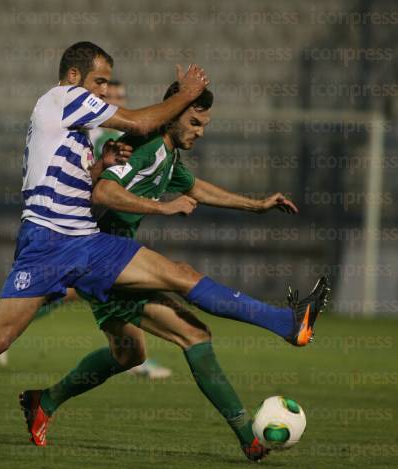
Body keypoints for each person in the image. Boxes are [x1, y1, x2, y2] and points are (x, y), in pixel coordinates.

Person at [0, 42, 328, 462]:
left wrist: (102, 164)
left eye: (107, 82)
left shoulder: (78, 127)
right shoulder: (63, 99)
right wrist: (185, 95)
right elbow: (142, 124)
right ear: (73, 77)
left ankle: (288, 325)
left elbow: (89, 189)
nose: (106, 90)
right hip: (45, 244)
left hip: (87, 242)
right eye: (100, 81)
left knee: (177, 282)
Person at [18, 83, 329, 461]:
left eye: (204, 125)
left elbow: (198, 188)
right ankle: (286, 327)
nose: (199, 131)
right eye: (194, 122)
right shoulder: (147, 147)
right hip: (100, 259)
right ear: (173, 112)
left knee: (129, 353)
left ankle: (44, 402)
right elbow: (102, 192)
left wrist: (256, 205)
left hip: (106, 262)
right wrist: (164, 208)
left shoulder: (167, 157)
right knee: (189, 311)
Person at [0, 79, 173, 380]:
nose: (114, 99)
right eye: (110, 93)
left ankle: (6, 331)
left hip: (101, 229)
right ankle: (5, 332)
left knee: (71, 292)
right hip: (86, 230)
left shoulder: (114, 136)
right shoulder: (99, 134)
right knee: (91, 291)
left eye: (119, 96)